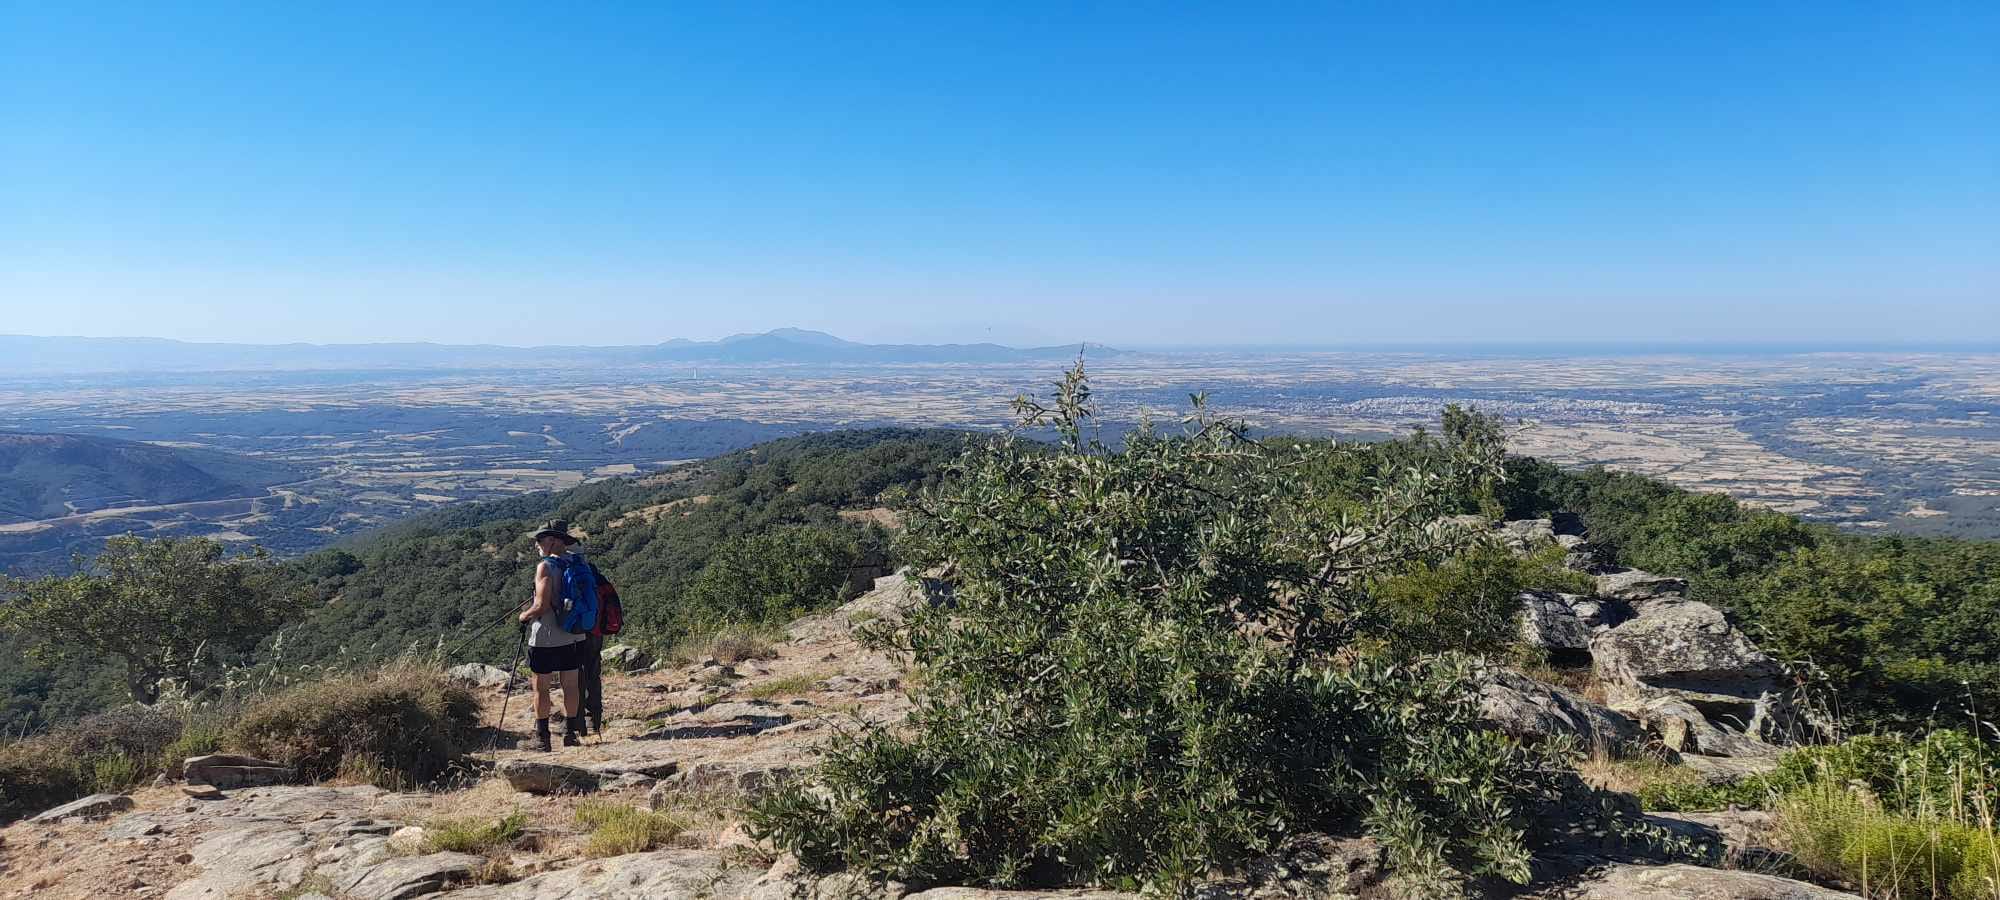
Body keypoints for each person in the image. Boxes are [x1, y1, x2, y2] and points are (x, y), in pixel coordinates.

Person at [522, 520, 587, 751]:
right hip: (574, 634)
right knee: (571, 685)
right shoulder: (577, 562)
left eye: (539, 540)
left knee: (541, 687)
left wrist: (524, 615)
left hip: (546, 637)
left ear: (552, 540)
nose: (536, 545)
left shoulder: (545, 567)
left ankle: (542, 738)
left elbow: (541, 606)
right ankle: (571, 735)